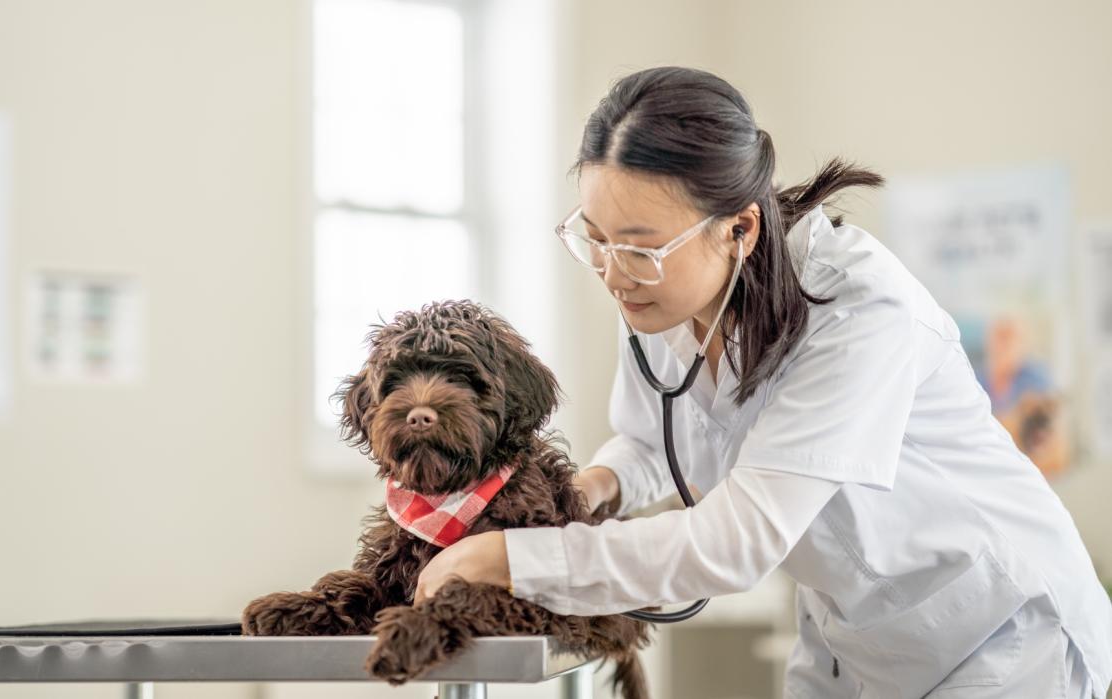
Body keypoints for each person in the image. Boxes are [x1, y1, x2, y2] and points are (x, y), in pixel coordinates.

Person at [412, 66, 1112, 697]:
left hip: (1001, 632)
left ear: (739, 227)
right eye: (596, 238)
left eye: (640, 246)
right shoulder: (662, 294)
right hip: (854, 635)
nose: (613, 272)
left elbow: (734, 542)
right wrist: (592, 487)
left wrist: (517, 558)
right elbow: (656, 440)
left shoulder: (860, 313)